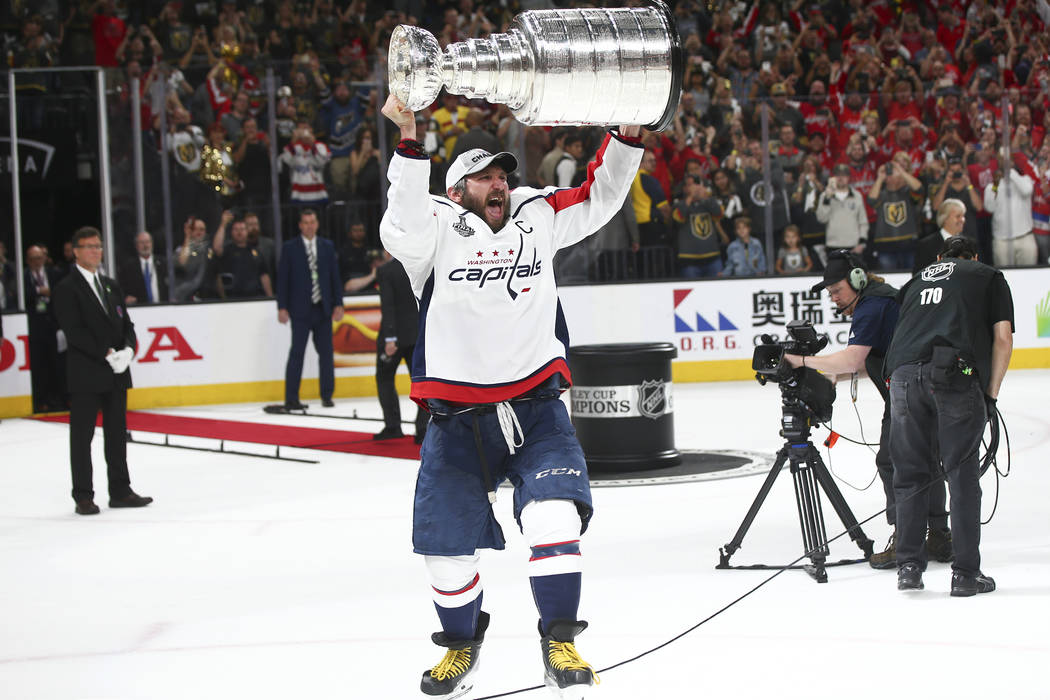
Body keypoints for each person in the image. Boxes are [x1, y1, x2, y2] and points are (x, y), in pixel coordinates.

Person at [380, 94, 642, 699]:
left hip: (536, 408)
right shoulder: (433, 230)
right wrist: (410, 139)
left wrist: (628, 132)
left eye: (502, 174)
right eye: (484, 176)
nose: (499, 183)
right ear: (456, 190)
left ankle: (560, 638)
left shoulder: (537, 213)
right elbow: (402, 220)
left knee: (554, 517)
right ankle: (461, 645)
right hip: (456, 420)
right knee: (443, 547)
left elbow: (601, 195)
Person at [785, 250, 951, 569]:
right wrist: (834, 373)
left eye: (836, 290)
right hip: (925, 388)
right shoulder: (882, 299)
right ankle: (939, 537)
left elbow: (854, 358)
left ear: (858, 279)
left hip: (909, 393)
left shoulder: (872, 306)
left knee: (891, 460)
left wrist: (802, 361)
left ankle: (905, 538)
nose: (833, 298)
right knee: (927, 460)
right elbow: (875, 359)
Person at [885, 236, 1014, 596]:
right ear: (975, 257)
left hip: (904, 376)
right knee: (961, 476)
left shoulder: (915, 281)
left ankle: (908, 567)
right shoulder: (987, 275)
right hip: (954, 375)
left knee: (909, 475)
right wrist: (990, 395)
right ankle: (965, 574)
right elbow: (1002, 339)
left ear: (940, 258)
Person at [52, 227, 152, 516]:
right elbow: (74, 331)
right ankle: (83, 495)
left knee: (117, 433)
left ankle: (120, 490)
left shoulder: (110, 285)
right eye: (89, 246)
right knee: (82, 436)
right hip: (86, 371)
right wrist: (106, 353)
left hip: (116, 372)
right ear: (76, 251)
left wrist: (129, 350)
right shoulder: (66, 288)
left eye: (99, 246)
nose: (96, 251)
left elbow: (126, 325)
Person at [277, 209, 344, 410]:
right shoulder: (290, 248)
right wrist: (282, 306)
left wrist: (338, 303)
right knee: (297, 353)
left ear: (317, 224)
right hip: (300, 310)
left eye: (312, 222)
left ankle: (327, 395)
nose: (309, 226)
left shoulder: (326, 246)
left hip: (322, 308)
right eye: (305, 222)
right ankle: (291, 397)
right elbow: (283, 279)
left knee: (326, 354)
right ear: (300, 225)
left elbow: (334, 276)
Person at [374, 251, 428, 443]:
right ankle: (422, 429)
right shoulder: (422, 265)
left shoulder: (387, 270)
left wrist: (390, 338)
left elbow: (387, 305)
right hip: (418, 335)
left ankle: (392, 425)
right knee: (421, 383)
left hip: (394, 337)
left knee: (384, 377)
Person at [24, 245, 64, 412]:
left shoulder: (54, 274)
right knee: (39, 367)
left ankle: (58, 399)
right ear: (28, 261)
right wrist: (39, 291)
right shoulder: (24, 277)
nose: (37, 262)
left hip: (53, 326)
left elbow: (62, 294)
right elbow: (22, 295)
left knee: (56, 365)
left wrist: (51, 293)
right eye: (33, 259)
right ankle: (41, 400)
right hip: (34, 327)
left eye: (39, 258)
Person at [914, 198, 966, 273]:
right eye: (958, 216)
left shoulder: (970, 244)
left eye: (963, 216)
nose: (962, 219)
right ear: (945, 218)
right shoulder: (926, 245)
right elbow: (918, 276)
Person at [118, 231, 167, 304]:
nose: (145, 245)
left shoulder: (163, 263)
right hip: (140, 309)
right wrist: (126, 298)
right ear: (136, 246)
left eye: (147, 242)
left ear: (152, 244)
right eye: (142, 242)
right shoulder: (128, 267)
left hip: (162, 307)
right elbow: (121, 289)